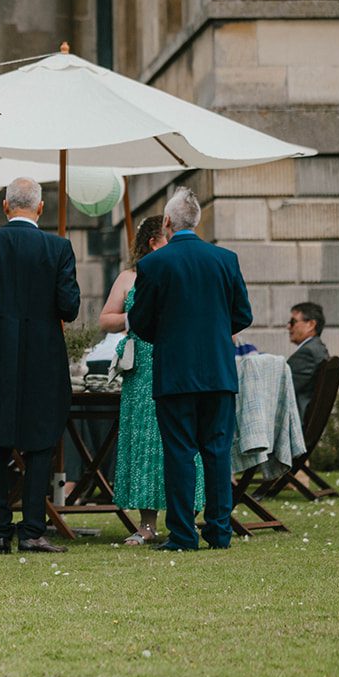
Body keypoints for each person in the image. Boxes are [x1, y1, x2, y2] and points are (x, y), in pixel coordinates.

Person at [0, 178, 80, 555]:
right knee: (40, 443)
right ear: (40, 209)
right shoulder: (58, 248)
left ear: (5, 206)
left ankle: (0, 531)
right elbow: (69, 308)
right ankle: (32, 531)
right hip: (44, 358)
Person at [128, 187, 253, 552]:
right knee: (217, 453)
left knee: (180, 453)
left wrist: (166, 336)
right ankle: (218, 531)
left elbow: (141, 320)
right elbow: (243, 314)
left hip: (176, 373)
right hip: (217, 370)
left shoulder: (153, 264)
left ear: (167, 222)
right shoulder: (225, 259)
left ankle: (183, 534)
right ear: (196, 221)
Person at [99, 215, 204, 545]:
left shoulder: (183, 271)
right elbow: (105, 318)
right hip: (143, 366)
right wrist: (135, 316)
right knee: (146, 441)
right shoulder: (130, 277)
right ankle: (146, 524)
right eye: (168, 238)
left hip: (179, 360)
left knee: (183, 439)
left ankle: (185, 516)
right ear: (152, 243)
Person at [286, 301, 329, 422]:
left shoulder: (307, 354)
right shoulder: (318, 349)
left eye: (293, 322)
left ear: (311, 324)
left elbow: (281, 389)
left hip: (296, 422)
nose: (288, 326)